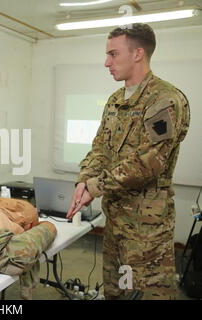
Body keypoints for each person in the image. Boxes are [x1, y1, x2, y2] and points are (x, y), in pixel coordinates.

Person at [66, 23, 190, 300]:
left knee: (146, 294)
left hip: (146, 230)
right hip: (116, 221)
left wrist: (94, 187)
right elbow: (99, 148)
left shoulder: (164, 99)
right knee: (116, 291)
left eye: (113, 54)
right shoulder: (114, 101)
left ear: (138, 53)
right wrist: (84, 180)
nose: (106, 62)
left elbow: (149, 163)